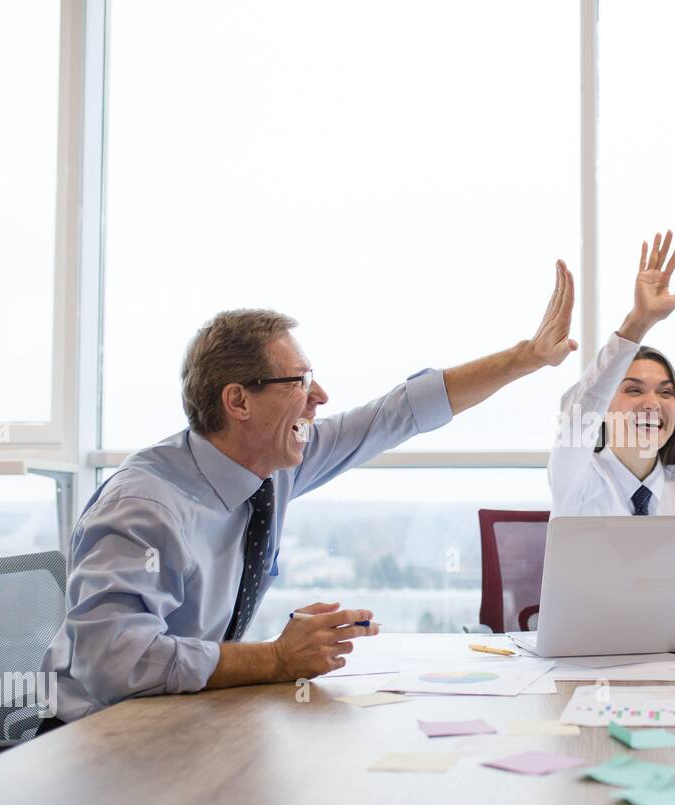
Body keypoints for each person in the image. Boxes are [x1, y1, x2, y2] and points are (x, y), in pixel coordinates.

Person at [38, 262, 578, 727]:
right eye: (298, 382)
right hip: (96, 739)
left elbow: (398, 413)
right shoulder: (145, 509)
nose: (319, 396)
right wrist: (275, 659)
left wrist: (527, 357)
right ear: (237, 402)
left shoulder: (273, 466)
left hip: (185, 715)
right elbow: (115, 664)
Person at [549, 230, 675, 518]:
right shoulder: (576, 477)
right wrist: (639, 321)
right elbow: (584, 403)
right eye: (634, 389)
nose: (652, 402)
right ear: (603, 410)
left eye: (666, 391)